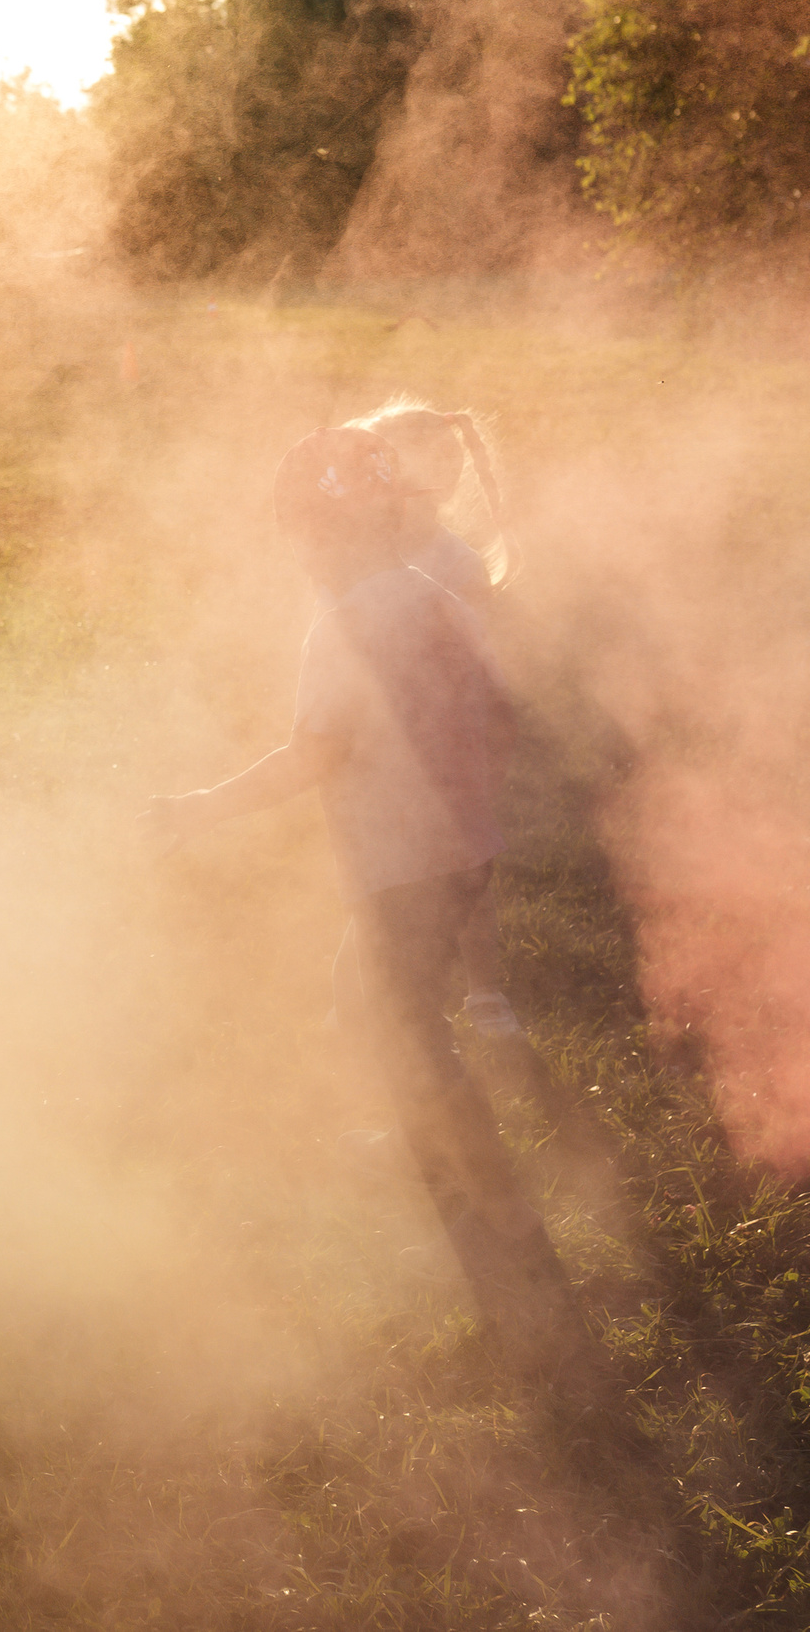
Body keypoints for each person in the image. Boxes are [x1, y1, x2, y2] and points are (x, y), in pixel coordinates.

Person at [145, 428, 582, 1364]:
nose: (300, 552)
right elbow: (498, 708)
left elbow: (315, 754)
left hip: (402, 872)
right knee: (372, 1005)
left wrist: (195, 809)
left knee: (414, 1050)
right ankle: (474, 1193)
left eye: (303, 533)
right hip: (465, 856)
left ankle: (502, 1261)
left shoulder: (341, 626)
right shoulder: (436, 596)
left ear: (325, 533)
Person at [351, 399, 521, 1039]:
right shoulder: (366, 551)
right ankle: (374, 986)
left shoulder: (456, 562)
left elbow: (474, 662)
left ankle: (485, 991)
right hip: (381, 732)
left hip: (448, 734)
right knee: (381, 862)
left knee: (467, 860)